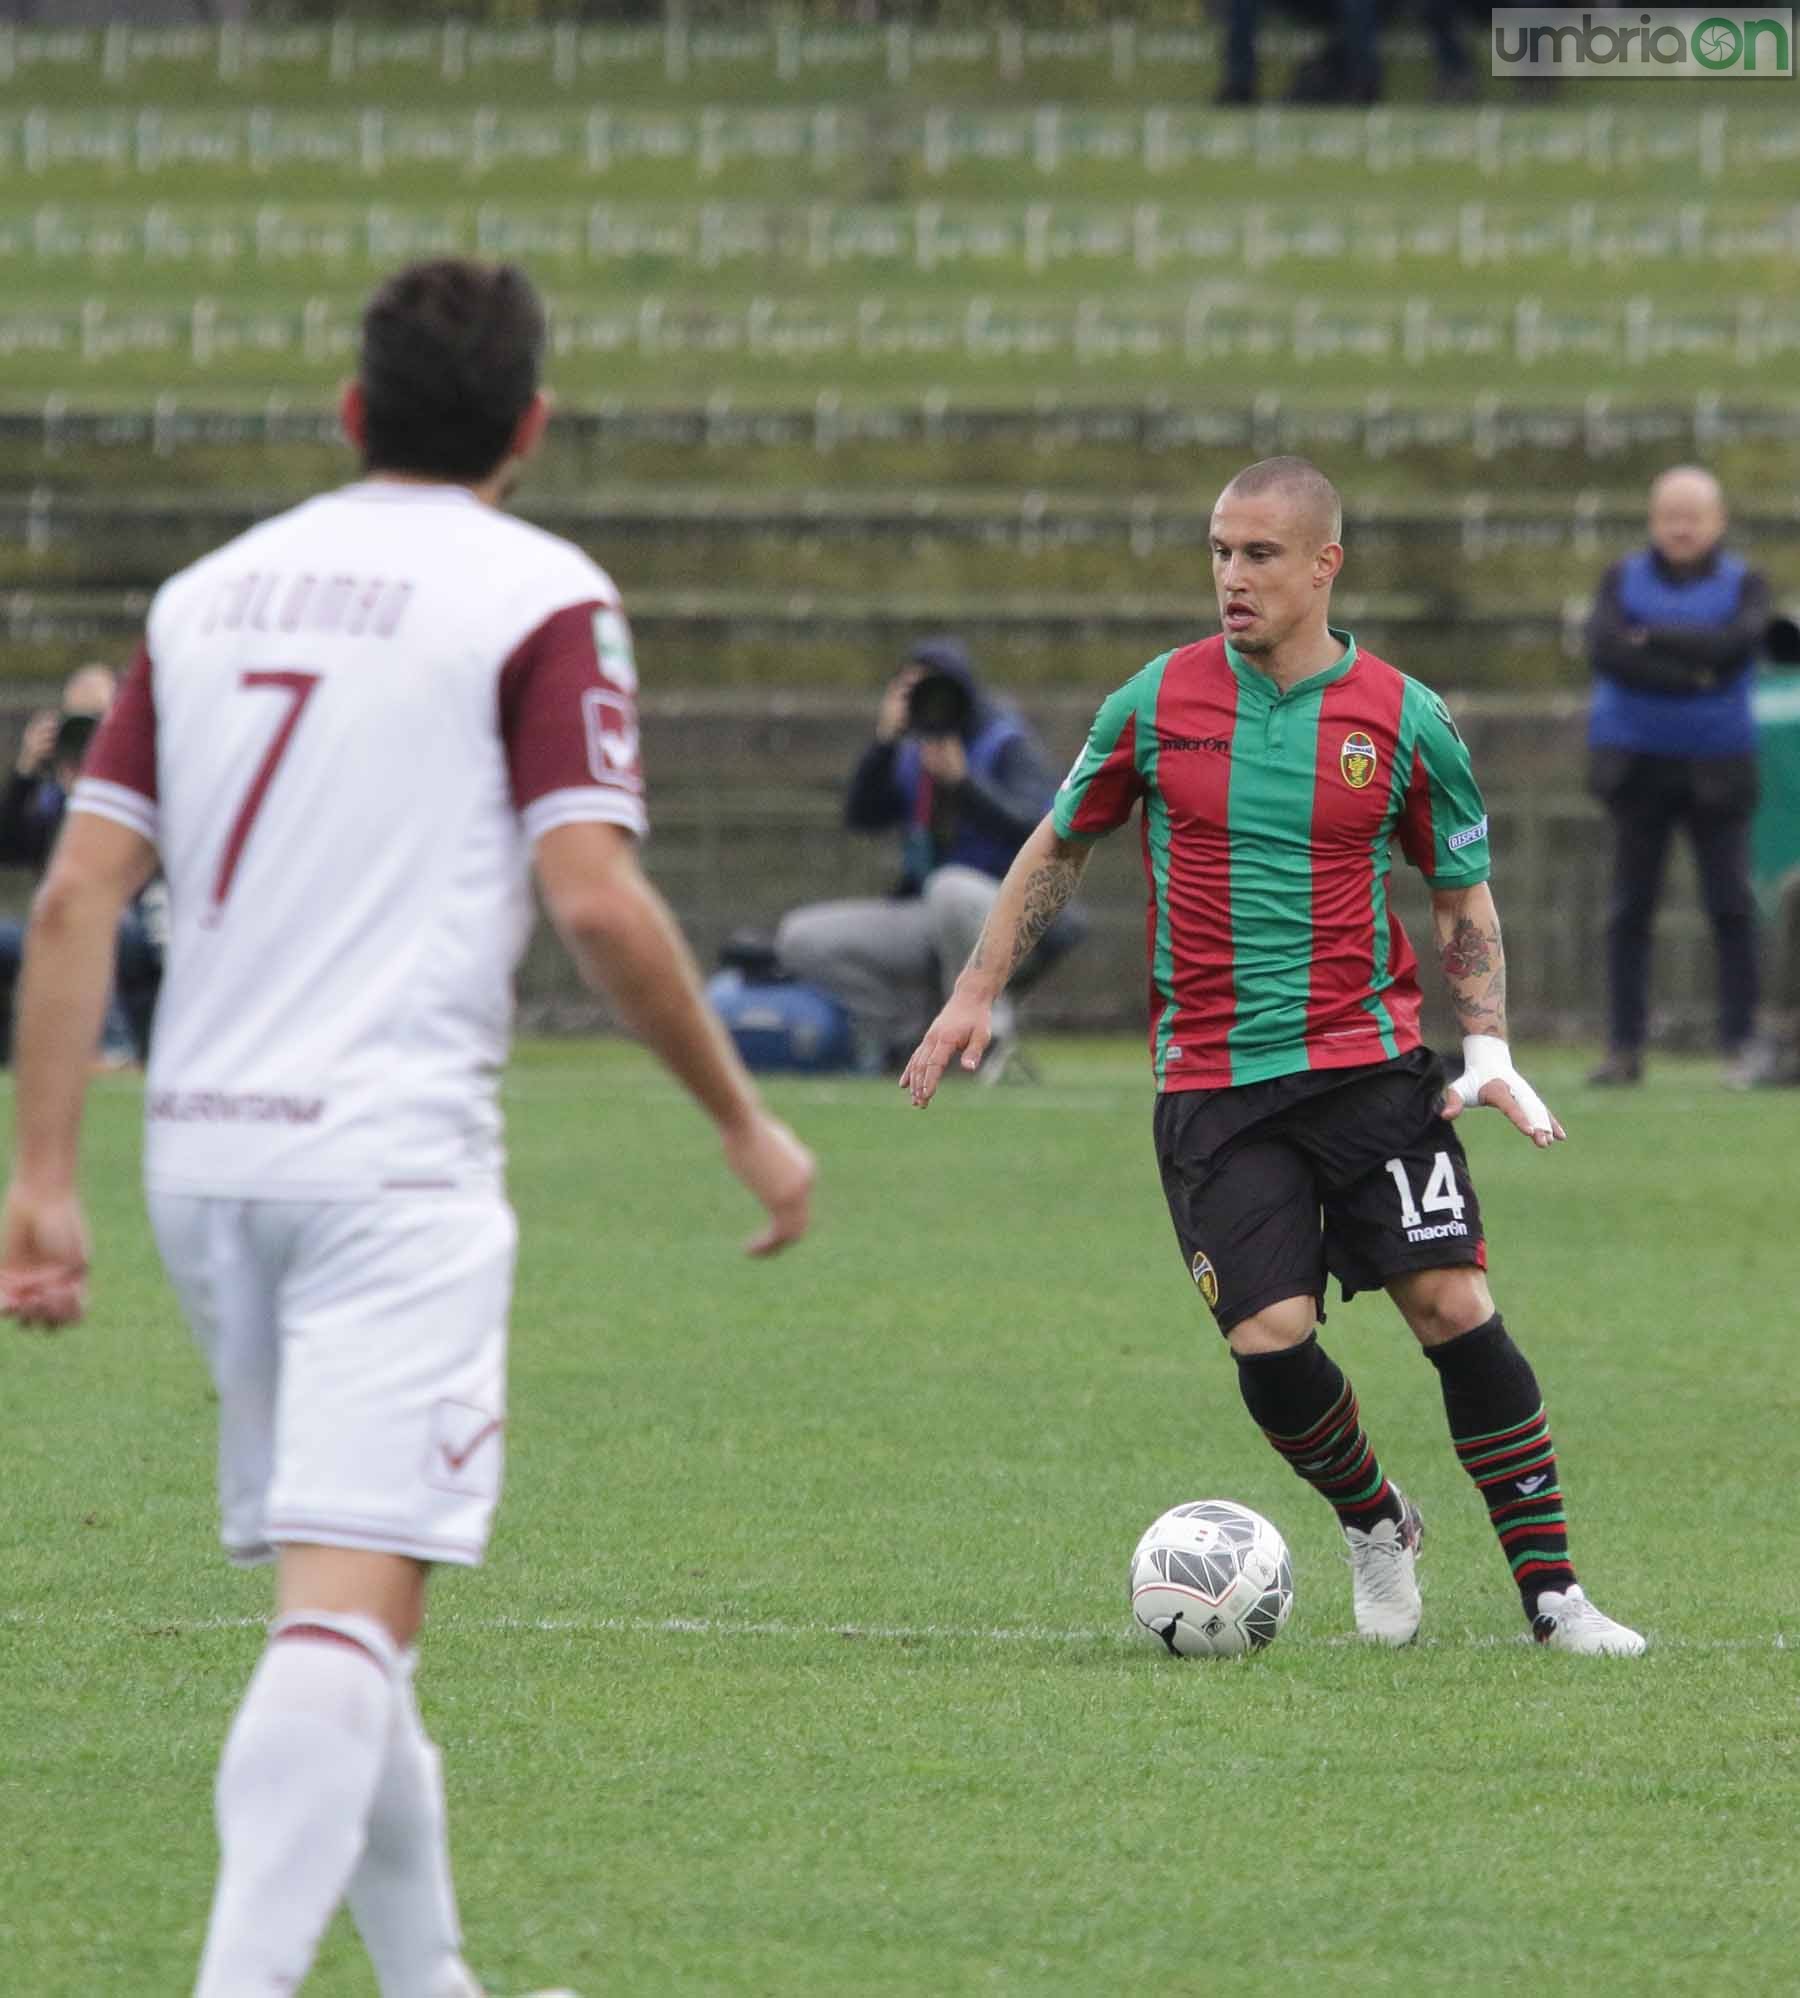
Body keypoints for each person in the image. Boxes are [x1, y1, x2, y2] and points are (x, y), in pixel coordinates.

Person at [0, 257, 815, 1998]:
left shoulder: (204, 596)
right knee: (343, 1615)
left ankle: (431, 1977)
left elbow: (76, 894)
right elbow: (593, 899)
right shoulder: (539, 593)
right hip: (391, 1165)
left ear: (351, 411)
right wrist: (743, 1120)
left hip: (205, 1156)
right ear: (530, 424)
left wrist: (44, 1175)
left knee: (352, 1607)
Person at [903, 454, 1644, 1657]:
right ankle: (1375, 1520)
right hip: (1212, 1084)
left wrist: (1490, 1042)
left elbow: (1462, 897)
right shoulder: (1154, 702)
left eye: (1258, 555)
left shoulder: (1405, 718)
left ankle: (1553, 1596)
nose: (1231, 578)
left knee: (1455, 1304)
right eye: (1218, 553)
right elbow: (1055, 845)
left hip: (1371, 1070)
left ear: (1322, 566)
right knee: (1271, 1340)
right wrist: (973, 991)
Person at [776, 636, 1066, 1073]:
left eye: (936, 690)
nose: (929, 704)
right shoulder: (909, 753)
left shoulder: (1004, 741)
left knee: (949, 888)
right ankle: (910, 1037)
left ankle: (987, 1041)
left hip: (1004, 908)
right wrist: (884, 741)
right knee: (800, 939)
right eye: (914, 691)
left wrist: (964, 785)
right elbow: (861, 816)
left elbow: (1044, 827)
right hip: (926, 912)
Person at [1586, 466, 1773, 1090]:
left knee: (1730, 907)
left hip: (1719, 766)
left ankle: (1741, 1043)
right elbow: (1608, 649)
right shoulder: (1620, 578)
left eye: (1694, 516)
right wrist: (1696, 672)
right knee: (1629, 909)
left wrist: (1653, 643)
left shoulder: (1746, 583)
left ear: (1718, 521)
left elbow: (1738, 645)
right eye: (1671, 515)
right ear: (1653, 520)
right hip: (1635, 763)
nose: (1682, 527)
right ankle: (1623, 1046)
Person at [0, 662, 159, 1066]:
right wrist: (25, 771)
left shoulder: (138, 778)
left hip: (135, 923)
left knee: (89, 921)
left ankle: (113, 1049)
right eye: (77, 720)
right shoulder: (48, 793)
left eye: (99, 718)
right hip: (47, 923)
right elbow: (11, 848)